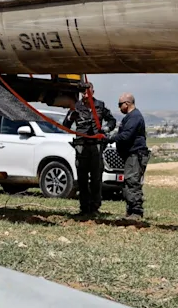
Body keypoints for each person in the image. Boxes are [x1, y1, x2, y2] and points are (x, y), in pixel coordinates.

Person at [61, 81, 115, 217]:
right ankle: (84, 208)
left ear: (93, 92)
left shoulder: (100, 105)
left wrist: (106, 129)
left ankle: (95, 208)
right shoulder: (76, 106)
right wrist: (70, 116)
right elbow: (65, 125)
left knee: (96, 178)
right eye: (83, 92)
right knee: (82, 179)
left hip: (96, 145)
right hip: (81, 146)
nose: (85, 95)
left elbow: (112, 120)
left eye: (87, 92)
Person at [107, 92, 151, 219]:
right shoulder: (131, 117)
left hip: (135, 155)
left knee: (132, 181)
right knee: (128, 181)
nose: (119, 107)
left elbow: (126, 136)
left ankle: (136, 212)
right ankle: (130, 211)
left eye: (120, 104)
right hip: (131, 155)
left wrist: (112, 138)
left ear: (127, 104)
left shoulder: (134, 117)